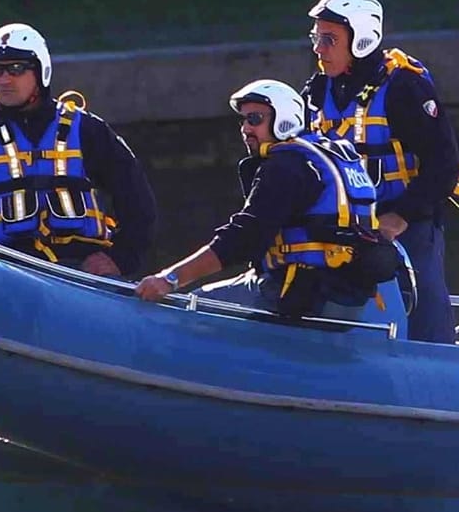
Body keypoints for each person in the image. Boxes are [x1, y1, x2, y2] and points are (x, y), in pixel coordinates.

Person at [135, 79, 404, 327]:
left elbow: (243, 237)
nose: (246, 129)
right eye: (243, 121)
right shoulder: (326, 157)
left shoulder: (286, 165)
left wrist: (171, 278)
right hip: (347, 298)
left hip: (297, 294)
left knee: (188, 308)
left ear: (284, 118)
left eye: (255, 119)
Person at [0, 22, 157, 277]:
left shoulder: (88, 130)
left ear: (40, 71)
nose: (4, 79)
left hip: (79, 273)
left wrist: (121, 258)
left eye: (16, 69)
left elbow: (138, 202)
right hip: (7, 274)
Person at [300, 0, 459, 343]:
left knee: (423, 302)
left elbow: (443, 165)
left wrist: (399, 216)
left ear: (361, 39)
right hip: (344, 226)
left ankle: (440, 360)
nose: (318, 48)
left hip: (406, 222)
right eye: (316, 37)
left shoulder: (404, 86)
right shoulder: (316, 90)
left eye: (329, 39)